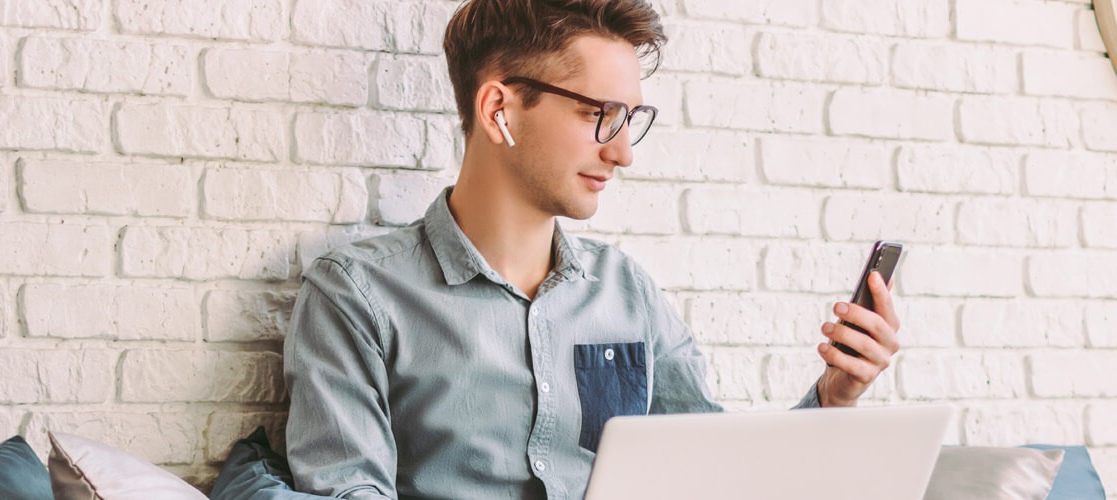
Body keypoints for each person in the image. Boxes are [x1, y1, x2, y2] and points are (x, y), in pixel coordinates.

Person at [283, 0, 901, 498]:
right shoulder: (357, 295)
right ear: (499, 109)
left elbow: (716, 476)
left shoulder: (625, 291)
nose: (623, 151)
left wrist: (831, 396)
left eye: (630, 119)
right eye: (599, 115)